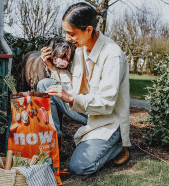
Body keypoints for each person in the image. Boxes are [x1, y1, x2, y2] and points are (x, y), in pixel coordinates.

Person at [37, 2, 130, 175]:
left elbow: (106, 104)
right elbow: (74, 85)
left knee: (80, 166)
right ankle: (55, 144)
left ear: (88, 30)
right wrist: (52, 67)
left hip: (108, 120)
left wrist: (71, 98)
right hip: (87, 111)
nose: (67, 38)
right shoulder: (81, 49)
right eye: (66, 32)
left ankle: (118, 145)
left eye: (71, 33)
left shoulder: (112, 55)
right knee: (45, 86)